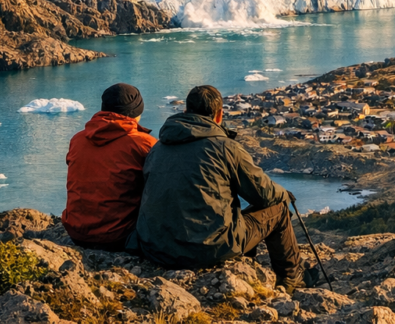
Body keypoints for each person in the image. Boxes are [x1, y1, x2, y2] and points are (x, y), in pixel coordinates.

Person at [133, 85, 307, 290]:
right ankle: (291, 280)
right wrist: (284, 194)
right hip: (208, 249)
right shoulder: (226, 148)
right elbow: (264, 195)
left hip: (157, 248)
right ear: (219, 115)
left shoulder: (157, 148)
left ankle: (252, 265)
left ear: (186, 111)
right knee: (278, 209)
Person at [62, 83, 157, 251]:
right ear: (136, 112)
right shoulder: (144, 144)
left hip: (76, 233)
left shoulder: (77, 140)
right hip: (118, 238)